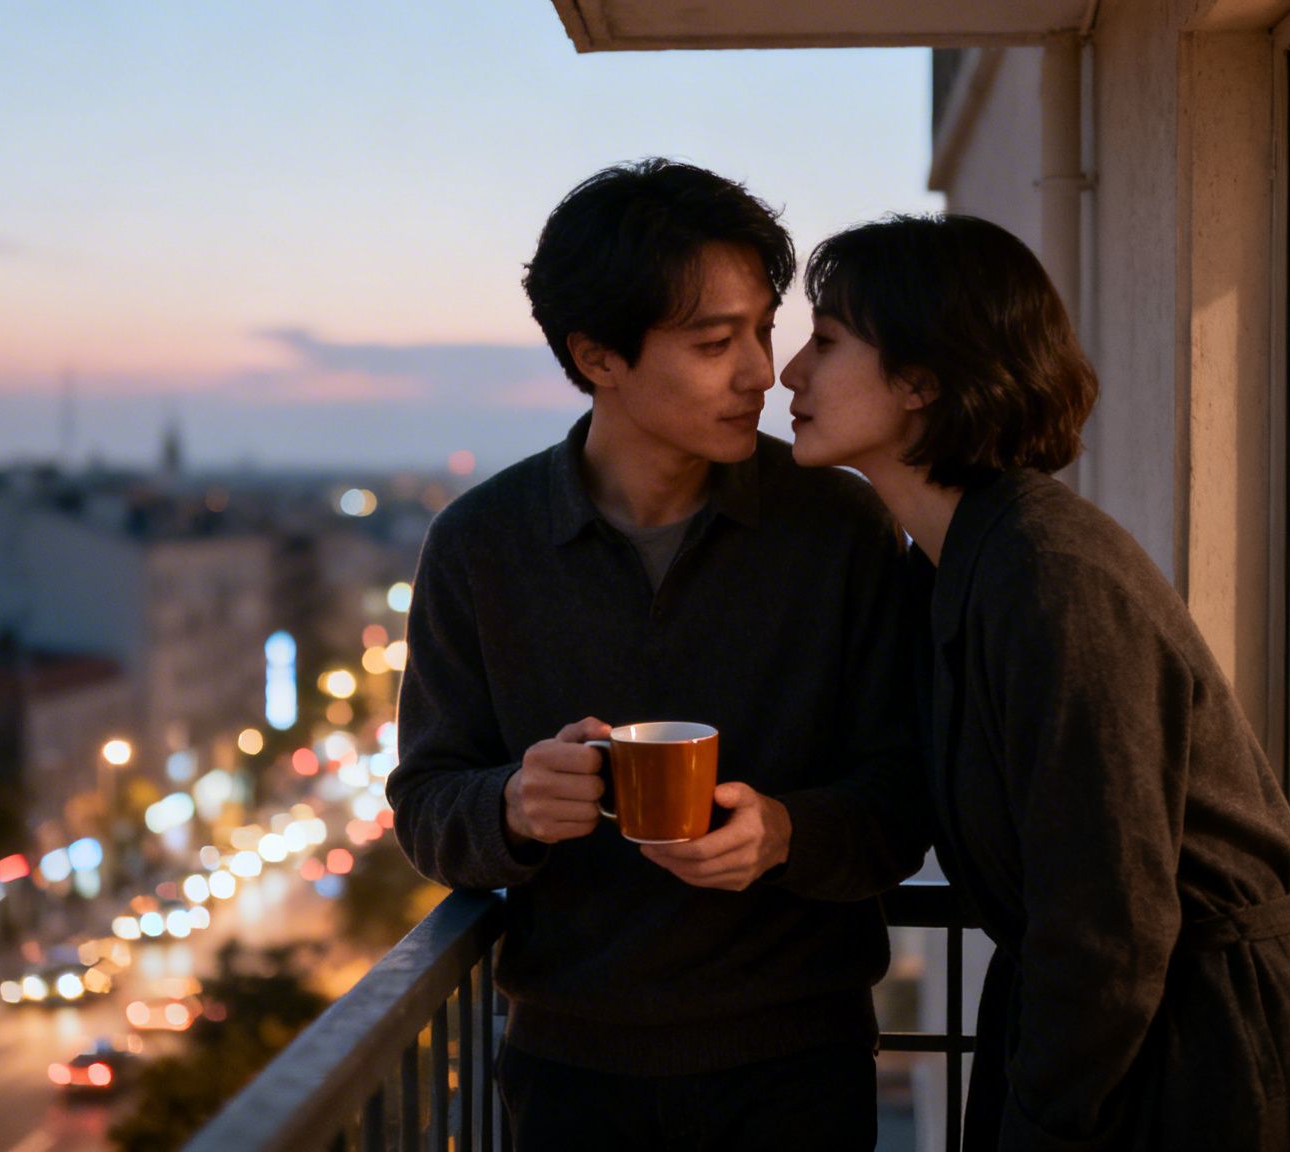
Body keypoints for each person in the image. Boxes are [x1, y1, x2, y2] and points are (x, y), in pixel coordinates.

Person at [780, 213, 1290, 1151]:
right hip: (1134, 1038)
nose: (791, 374)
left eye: (824, 343)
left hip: (1211, 1060)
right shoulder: (953, 565)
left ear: (921, 379)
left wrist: (1036, 1124)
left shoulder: (1044, 573)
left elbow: (1109, 921)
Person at [387, 159, 928, 1151]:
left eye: (763, 329)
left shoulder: (837, 525)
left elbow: (904, 796)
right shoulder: (481, 543)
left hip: (798, 1064)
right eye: (715, 342)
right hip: (568, 1072)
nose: (761, 372)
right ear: (598, 358)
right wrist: (510, 804)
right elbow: (423, 808)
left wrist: (781, 834)